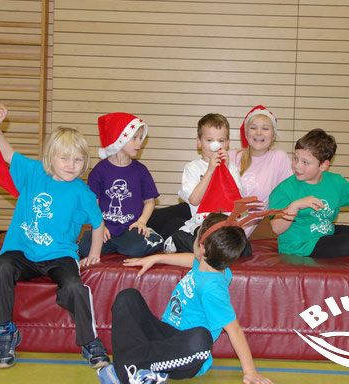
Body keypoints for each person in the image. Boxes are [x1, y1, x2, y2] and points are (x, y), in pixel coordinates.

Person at [0, 105, 109, 369]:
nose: (71, 165)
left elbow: (98, 223)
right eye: (65, 158)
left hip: (60, 255)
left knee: (74, 288)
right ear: (50, 157)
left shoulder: (82, 192)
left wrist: (95, 253)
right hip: (22, 251)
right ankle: (6, 331)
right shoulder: (34, 172)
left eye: (77, 160)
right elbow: (7, 153)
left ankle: (89, 342)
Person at [97, 213, 274, 384]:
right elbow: (191, 259)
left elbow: (234, 330)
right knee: (127, 298)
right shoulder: (210, 265)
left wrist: (250, 371)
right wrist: (156, 258)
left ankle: (126, 370)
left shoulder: (212, 288)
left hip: (184, 355)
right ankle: (135, 372)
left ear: (202, 247)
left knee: (201, 339)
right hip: (164, 338)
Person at [269, 128, 349, 257]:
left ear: (323, 166)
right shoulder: (284, 189)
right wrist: (295, 206)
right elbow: (277, 228)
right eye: (295, 158)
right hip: (300, 245)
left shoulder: (334, 181)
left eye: (305, 162)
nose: (297, 165)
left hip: (327, 234)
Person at [78, 112, 163, 259]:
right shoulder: (99, 171)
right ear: (119, 139)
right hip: (104, 228)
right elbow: (93, 204)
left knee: (135, 249)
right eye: (134, 138)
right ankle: (117, 245)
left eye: (141, 138)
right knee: (84, 247)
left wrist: (141, 222)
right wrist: (99, 226)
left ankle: (153, 237)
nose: (139, 143)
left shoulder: (141, 171)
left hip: (130, 228)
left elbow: (150, 202)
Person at [163, 113, 243, 253]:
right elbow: (194, 200)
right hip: (201, 224)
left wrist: (226, 171)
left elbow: (237, 201)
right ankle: (178, 239)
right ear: (199, 142)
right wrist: (210, 171)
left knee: (244, 249)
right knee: (207, 244)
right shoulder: (192, 168)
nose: (215, 145)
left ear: (227, 143)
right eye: (209, 140)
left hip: (226, 225)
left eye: (221, 140)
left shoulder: (232, 168)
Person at [228, 105, 292, 237]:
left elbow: (291, 194)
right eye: (253, 128)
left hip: (256, 232)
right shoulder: (231, 157)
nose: (258, 133)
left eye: (265, 128)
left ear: (273, 135)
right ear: (246, 134)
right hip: (226, 225)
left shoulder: (279, 158)